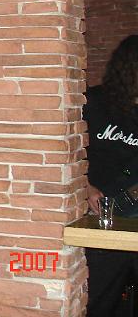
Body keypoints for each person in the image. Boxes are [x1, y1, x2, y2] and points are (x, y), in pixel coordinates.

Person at [84, 35, 138, 316]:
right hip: (101, 212)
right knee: (99, 297)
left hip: (134, 207)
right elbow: (65, 150)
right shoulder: (95, 102)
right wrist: (85, 186)